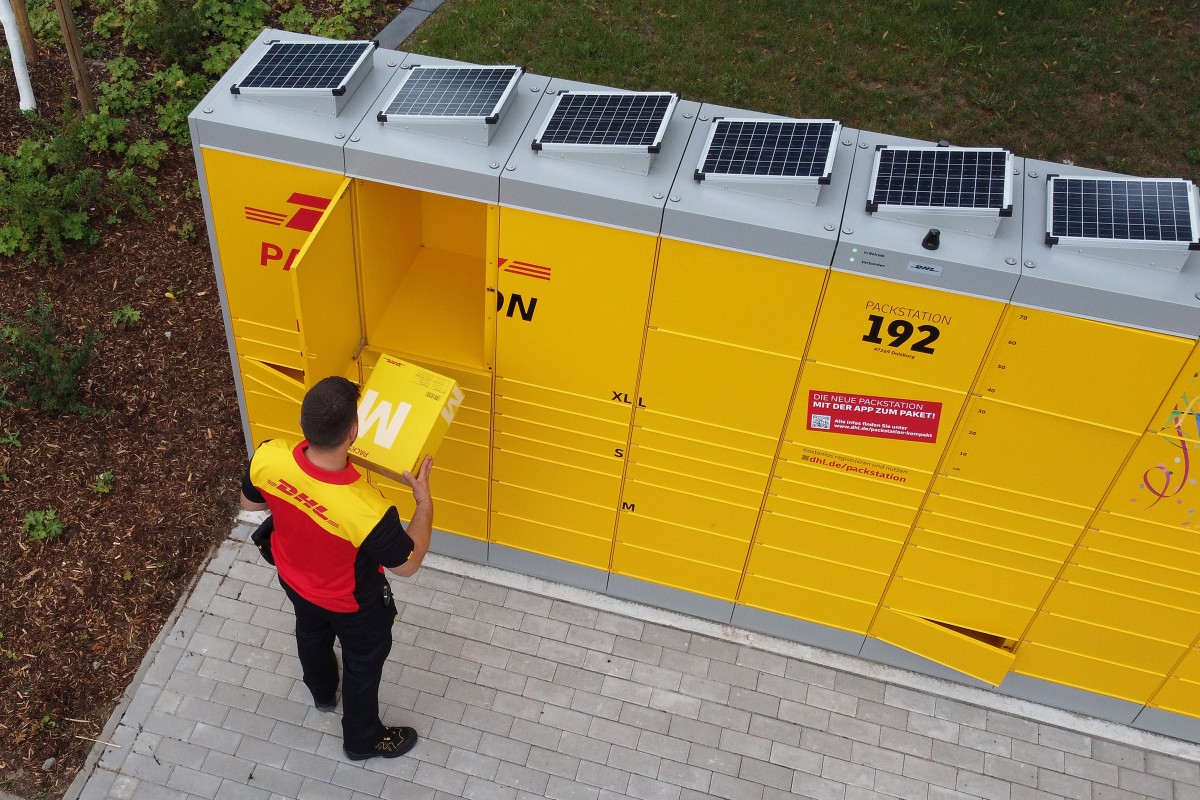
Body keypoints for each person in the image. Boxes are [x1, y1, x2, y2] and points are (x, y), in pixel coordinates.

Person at [239, 375, 433, 761]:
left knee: (310, 634)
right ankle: (362, 739)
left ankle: (323, 693)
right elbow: (408, 564)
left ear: (303, 425)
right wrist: (424, 503)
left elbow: (251, 506)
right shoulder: (365, 509)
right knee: (363, 664)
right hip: (352, 605)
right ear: (355, 432)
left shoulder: (268, 455)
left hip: (294, 580)